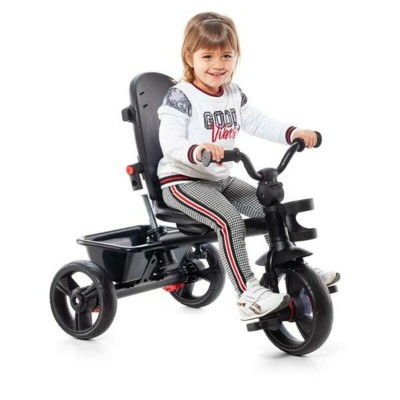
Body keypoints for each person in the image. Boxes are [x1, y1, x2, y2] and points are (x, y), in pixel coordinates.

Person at [157, 11, 340, 321]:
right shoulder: (181, 96)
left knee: (272, 209)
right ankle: (247, 293)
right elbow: (170, 140)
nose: (218, 64)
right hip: (182, 181)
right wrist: (198, 149)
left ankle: (293, 269)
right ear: (189, 57)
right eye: (207, 56)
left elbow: (256, 121)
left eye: (226, 56)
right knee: (229, 221)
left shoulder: (232, 93)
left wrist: (292, 133)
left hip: (220, 180)